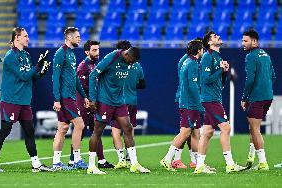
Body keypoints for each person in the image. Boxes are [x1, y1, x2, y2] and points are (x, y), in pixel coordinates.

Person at [87, 47, 150, 174]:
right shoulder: (111, 58)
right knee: (97, 131)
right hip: (105, 100)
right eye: (130, 61)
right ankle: (91, 166)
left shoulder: (129, 61)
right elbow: (93, 74)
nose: (131, 64)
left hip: (119, 101)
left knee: (128, 128)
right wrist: (93, 99)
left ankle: (134, 163)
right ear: (126, 54)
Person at [0, 27, 51, 172]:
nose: (28, 38)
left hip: (24, 101)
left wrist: (42, 71)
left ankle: (36, 163)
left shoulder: (26, 55)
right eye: (25, 36)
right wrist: (37, 66)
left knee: (29, 130)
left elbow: (32, 77)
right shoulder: (10, 56)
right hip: (11, 100)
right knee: (5, 130)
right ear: (17, 38)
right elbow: (23, 76)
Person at [194, 31, 245, 174]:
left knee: (208, 132)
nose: (218, 37)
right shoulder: (206, 57)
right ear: (209, 43)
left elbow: (219, 84)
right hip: (210, 99)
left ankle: (199, 166)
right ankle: (230, 164)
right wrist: (219, 70)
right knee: (226, 128)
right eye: (214, 36)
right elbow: (205, 80)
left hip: (214, 97)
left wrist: (223, 73)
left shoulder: (217, 57)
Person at [67, 40, 114, 169]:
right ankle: (72, 159)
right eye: (94, 50)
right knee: (81, 131)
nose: (97, 52)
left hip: (92, 103)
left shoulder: (94, 65)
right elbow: (81, 88)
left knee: (96, 132)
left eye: (98, 49)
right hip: (84, 104)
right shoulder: (83, 67)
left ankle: (101, 160)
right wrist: (88, 101)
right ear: (87, 52)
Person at [160, 39, 204, 171]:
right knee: (185, 132)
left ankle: (198, 163)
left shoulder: (187, 61)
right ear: (198, 50)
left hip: (187, 102)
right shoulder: (192, 64)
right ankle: (167, 159)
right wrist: (199, 104)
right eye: (202, 48)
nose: (203, 51)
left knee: (196, 133)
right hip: (190, 104)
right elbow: (193, 87)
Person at [52, 27, 90, 170]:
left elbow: (74, 78)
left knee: (62, 128)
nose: (79, 39)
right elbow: (55, 77)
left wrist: (84, 96)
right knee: (80, 125)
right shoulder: (61, 53)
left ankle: (56, 162)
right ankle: (76, 159)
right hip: (64, 97)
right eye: (77, 36)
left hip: (71, 96)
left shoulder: (72, 54)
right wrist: (56, 99)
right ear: (69, 37)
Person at [241, 29, 275, 170]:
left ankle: (263, 163)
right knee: (254, 128)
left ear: (254, 41)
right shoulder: (266, 55)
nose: (243, 43)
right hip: (268, 96)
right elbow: (273, 76)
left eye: (246, 40)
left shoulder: (251, 57)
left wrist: (245, 97)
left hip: (257, 97)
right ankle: (250, 157)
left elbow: (250, 80)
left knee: (255, 130)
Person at [110, 41, 146, 169]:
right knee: (130, 131)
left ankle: (121, 160)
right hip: (132, 101)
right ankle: (130, 158)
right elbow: (142, 85)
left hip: (119, 101)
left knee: (116, 131)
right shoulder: (137, 65)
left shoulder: (116, 64)